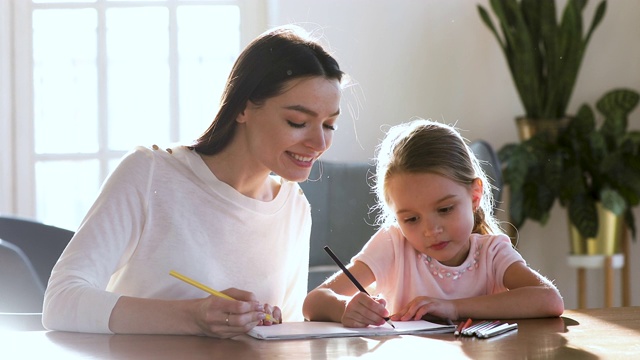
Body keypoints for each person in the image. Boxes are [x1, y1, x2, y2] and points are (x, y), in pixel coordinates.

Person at [43, 25, 346, 338]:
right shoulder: (149, 174)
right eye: (298, 122)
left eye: (330, 125)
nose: (319, 142)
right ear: (243, 107)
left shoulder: (293, 207)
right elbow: (61, 301)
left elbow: (286, 335)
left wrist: (266, 323)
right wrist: (194, 316)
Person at [303, 119, 564, 328]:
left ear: (475, 196)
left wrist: (453, 307)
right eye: (411, 219)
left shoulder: (492, 253)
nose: (430, 230)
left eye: (445, 209)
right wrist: (344, 309)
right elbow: (313, 302)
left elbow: (549, 300)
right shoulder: (393, 245)